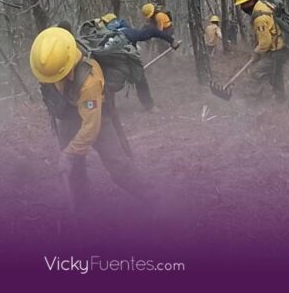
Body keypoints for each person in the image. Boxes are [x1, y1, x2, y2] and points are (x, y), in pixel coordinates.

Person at [30, 27, 154, 210]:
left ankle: (156, 200)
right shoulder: (50, 56)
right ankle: (84, 211)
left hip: (97, 119)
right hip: (68, 115)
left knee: (118, 166)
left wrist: (69, 153)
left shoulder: (90, 82)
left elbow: (91, 128)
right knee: (74, 172)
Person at [233, 0, 289, 102]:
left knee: (256, 73)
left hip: (277, 51)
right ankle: (280, 102)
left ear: (250, 1)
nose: (242, 7)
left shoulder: (259, 17)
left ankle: (253, 104)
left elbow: (265, 42)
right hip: (283, 48)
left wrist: (256, 53)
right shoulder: (265, 5)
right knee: (276, 75)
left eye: (243, 4)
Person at [101, 13, 180, 50]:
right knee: (153, 31)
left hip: (120, 39)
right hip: (129, 35)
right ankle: (172, 41)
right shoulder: (121, 23)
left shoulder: (107, 28)